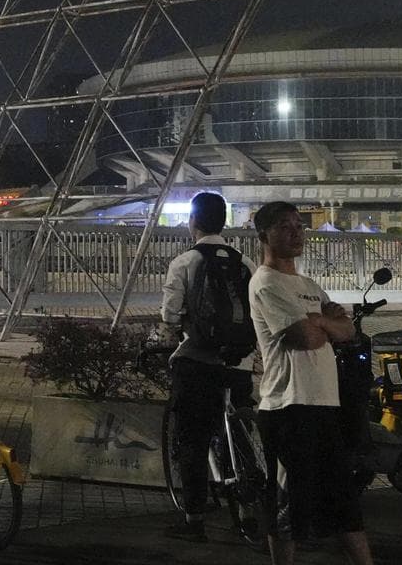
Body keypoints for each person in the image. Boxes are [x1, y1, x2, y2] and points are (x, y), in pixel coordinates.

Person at [248, 201, 374, 565]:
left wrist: (320, 323)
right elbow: (305, 338)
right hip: (287, 406)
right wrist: (322, 323)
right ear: (264, 236)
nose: (296, 233)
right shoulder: (265, 282)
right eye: (285, 227)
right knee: (288, 502)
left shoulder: (307, 284)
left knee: (344, 496)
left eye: (299, 226)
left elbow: (347, 330)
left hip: (324, 403)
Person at [159, 191, 257, 542]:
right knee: (242, 432)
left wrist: (168, 339)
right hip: (240, 362)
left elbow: (170, 316)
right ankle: (252, 499)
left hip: (198, 361)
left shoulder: (185, 262)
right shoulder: (245, 263)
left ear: (193, 223)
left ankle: (194, 519)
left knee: (192, 440)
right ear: (225, 222)